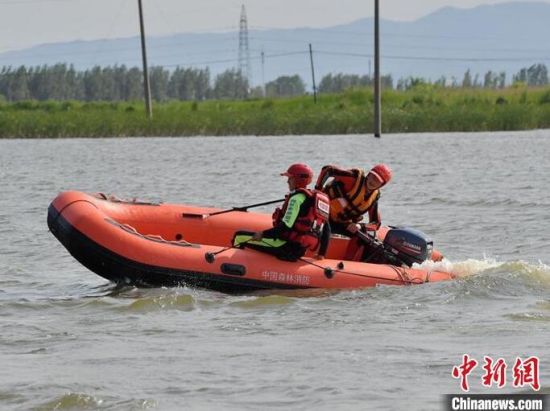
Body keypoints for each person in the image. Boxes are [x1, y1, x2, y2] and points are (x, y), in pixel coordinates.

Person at [232, 163, 331, 262]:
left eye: (290, 178)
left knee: (239, 236)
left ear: (297, 180)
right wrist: (321, 254)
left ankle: (235, 265)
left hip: (284, 246)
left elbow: (285, 227)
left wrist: (262, 234)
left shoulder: (296, 199)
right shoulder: (313, 200)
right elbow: (327, 229)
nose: (287, 181)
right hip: (299, 250)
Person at [315, 163, 393, 237]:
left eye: (377, 181)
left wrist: (360, 226)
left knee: (363, 237)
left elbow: (376, 223)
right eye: (373, 177)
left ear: (381, 185)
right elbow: (328, 170)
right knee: (326, 230)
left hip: (340, 223)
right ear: (369, 174)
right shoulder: (353, 178)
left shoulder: (373, 198)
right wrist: (318, 189)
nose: (373, 181)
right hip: (321, 214)